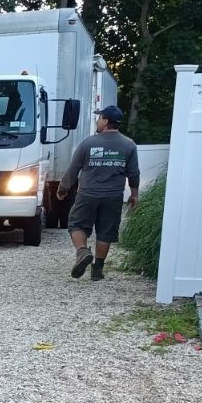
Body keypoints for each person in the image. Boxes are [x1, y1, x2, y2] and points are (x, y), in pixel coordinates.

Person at [58, 104, 140, 281]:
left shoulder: (88, 143)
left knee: (76, 224)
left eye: (99, 117)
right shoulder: (129, 145)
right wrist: (134, 194)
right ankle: (97, 270)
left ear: (105, 120)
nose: (97, 120)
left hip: (87, 194)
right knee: (106, 231)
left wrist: (63, 189)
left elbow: (73, 169)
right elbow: (133, 173)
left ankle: (82, 252)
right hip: (113, 196)